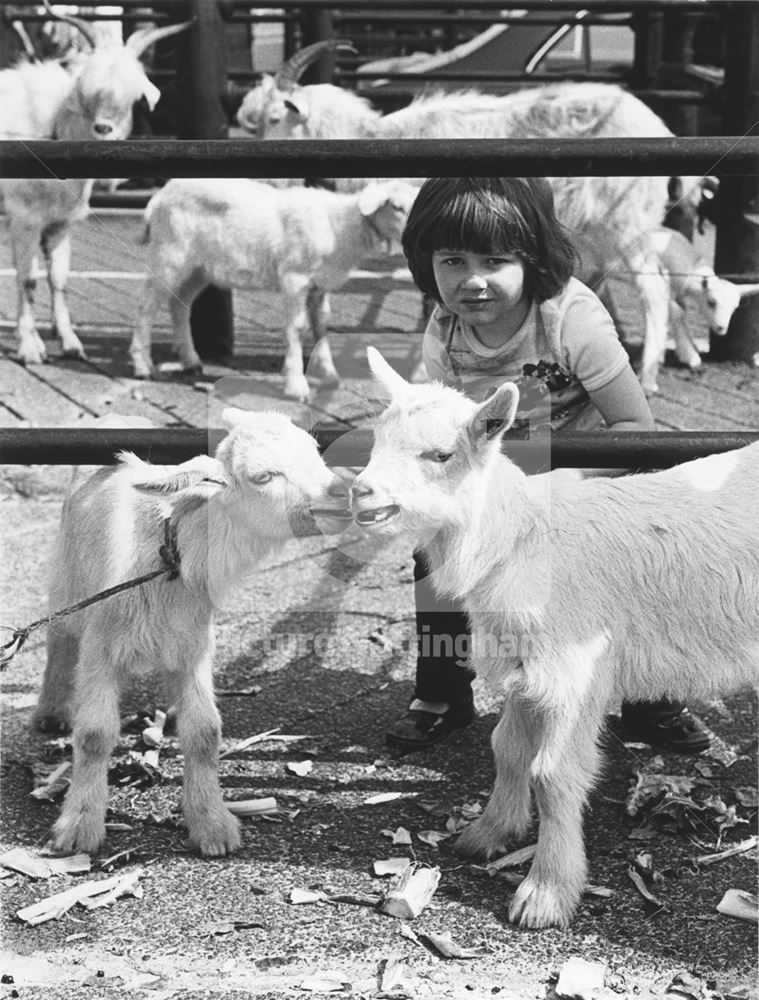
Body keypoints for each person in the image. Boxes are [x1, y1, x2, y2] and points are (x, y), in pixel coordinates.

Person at [386, 175, 711, 755]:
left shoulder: (570, 317)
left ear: (532, 258)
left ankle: (651, 696)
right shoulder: (444, 329)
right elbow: (437, 426)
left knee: (635, 562)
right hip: (504, 479)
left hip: (594, 471)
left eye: (495, 259)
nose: (473, 280)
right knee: (433, 552)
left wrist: (566, 483)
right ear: (424, 260)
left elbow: (636, 428)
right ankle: (442, 687)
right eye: (452, 259)